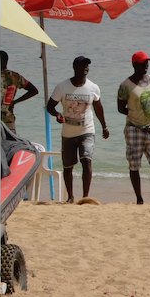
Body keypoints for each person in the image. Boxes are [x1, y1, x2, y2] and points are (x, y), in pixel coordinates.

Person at [47, 55, 110, 203]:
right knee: (68, 166)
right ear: (74, 68)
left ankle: (85, 196)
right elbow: (50, 106)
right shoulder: (62, 87)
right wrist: (57, 114)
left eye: (87, 65)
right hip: (68, 133)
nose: (85, 68)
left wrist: (104, 126)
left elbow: (98, 108)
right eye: (82, 65)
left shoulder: (93, 88)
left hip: (87, 130)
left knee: (86, 160)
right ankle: (70, 197)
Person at [117, 51, 150, 205]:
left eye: (147, 62)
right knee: (134, 165)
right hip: (133, 128)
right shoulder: (125, 85)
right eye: (142, 63)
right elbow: (121, 108)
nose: (146, 65)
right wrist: (135, 116)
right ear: (134, 65)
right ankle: (139, 199)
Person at [0, 50, 39, 131]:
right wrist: (15, 102)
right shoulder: (15, 76)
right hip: (8, 118)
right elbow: (34, 90)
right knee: (11, 143)